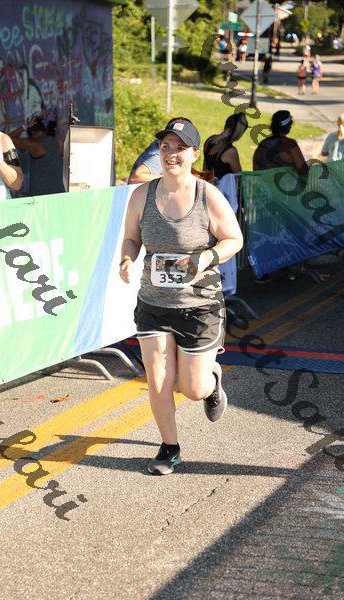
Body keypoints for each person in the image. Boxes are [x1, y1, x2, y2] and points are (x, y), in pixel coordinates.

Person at [119, 118, 243, 475]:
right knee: (157, 380)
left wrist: (206, 257)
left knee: (192, 389)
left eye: (179, 148)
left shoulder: (207, 195)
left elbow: (234, 239)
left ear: (194, 154)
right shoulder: (142, 195)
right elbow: (131, 238)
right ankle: (169, 447)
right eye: (165, 147)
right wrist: (127, 259)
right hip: (153, 304)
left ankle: (212, 380)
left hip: (199, 307)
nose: (171, 154)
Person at [10, 115, 64, 196]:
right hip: (59, 191)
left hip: (42, 194)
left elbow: (8, 139)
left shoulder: (36, 145)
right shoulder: (56, 141)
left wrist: (24, 126)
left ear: (31, 131)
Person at [128, 117, 193, 184]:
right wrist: (172, 178)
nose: (172, 152)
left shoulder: (161, 146)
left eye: (180, 148)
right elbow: (135, 177)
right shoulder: (160, 154)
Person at [253, 110, 308, 175]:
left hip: (262, 181)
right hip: (285, 181)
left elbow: (255, 169)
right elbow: (303, 170)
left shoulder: (263, 144)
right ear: (288, 125)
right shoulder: (289, 144)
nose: (291, 125)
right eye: (291, 123)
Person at [203, 113, 248, 182]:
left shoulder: (210, 140)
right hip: (220, 188)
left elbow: (204, 168)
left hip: (207, 184)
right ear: (238, 134)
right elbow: (239, 178)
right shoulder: (231, 152)